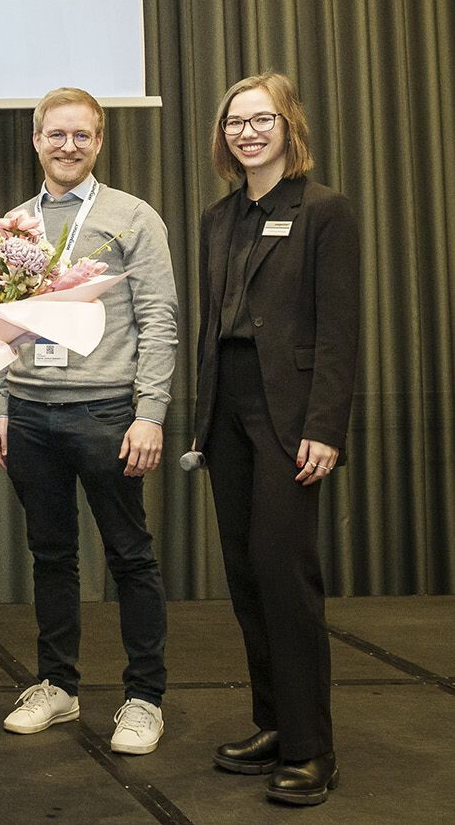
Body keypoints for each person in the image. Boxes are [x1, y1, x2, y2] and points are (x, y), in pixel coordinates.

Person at [0, 87, 177, 756]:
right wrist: (3, 406)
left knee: (129, 556)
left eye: (81, 135)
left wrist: (150, 414)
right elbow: (2, 324)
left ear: (98, 141)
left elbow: (159, 319)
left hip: (107, 412)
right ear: (36, 140)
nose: (67, 146)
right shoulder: (13, 225)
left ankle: (144, 698)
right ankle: (58, 686)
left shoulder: (132, 216)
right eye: (56, 134)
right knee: (51, 557)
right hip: (30, 414)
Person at [195, 72, 358, 807]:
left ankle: (311, 747)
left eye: (261, 120)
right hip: (227, 408)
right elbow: (215, 324)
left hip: (288, 413)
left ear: (289, 126)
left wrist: (325, 427)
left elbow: (339, 329)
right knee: (246, 572)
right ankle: (273, 723)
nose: (248, 132)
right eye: (236, 122)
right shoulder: (218, 218)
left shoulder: (323, 211)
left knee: (285, 574)